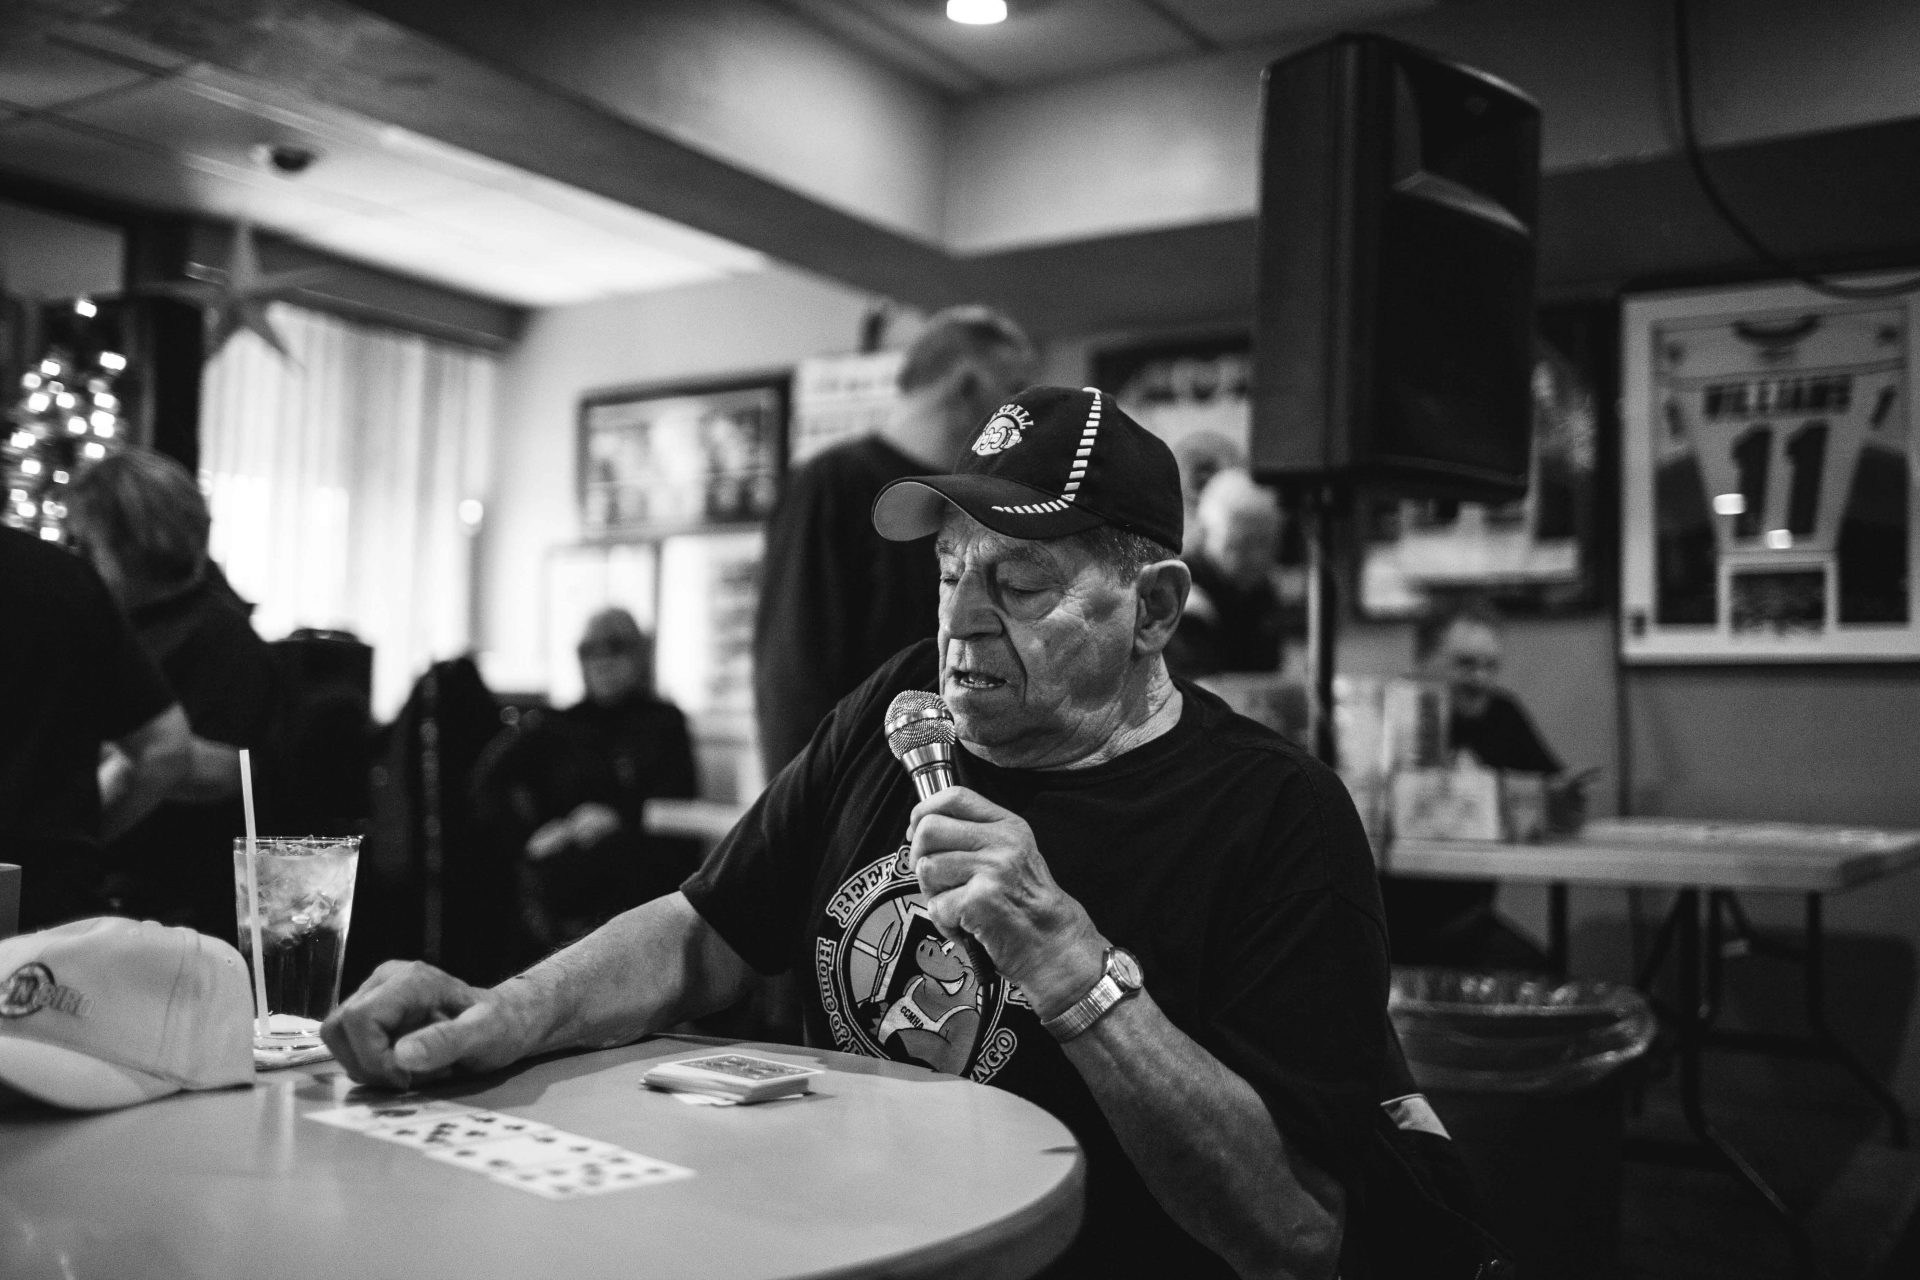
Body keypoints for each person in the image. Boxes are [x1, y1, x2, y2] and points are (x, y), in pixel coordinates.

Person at [325, 386, 1390, 1279]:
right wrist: (504, 1006)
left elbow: (1297, 1230)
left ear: (1153, 610)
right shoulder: (893, 705)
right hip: (823, 1242)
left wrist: (1076, 971)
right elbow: (706, 927)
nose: (962, 619)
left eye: (1019, 583)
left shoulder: (1276, 815)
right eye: (949, 571)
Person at [752, 305, 1035, 778]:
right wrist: (805, 821)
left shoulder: (974, 505)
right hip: (858, 795)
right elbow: (793, 673)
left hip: (949, 785)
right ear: (966, 386)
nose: (1019, 417)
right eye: (1011, 393)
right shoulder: (833, 484)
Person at [65, 448, 284, 938]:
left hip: (173, 915)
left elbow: (222, 771)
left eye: (85, 545)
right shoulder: (130, 626)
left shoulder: (221, 640)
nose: (76, 559)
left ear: (133, 542)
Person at [475, 608, 700, 958]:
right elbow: (489, 780)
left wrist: (622, 817)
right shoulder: (559, 724)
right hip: (562, 874)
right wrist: (530, 834)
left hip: (640, 872)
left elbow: (678, 805)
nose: (602, 661)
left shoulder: (664, 723)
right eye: (589, 651)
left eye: (615, 648)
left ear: (638, 655)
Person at [0, 524, 191, 930]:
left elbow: (185, 755)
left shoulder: (214, 635)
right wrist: (75, 838)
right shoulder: (62, 576)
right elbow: (167, 747)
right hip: (51, 903)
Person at [1380, 599, 1585, 970]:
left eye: (1491, 666)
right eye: (1465, 664)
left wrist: (1562, 799)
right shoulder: (1383, 716)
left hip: (1465, 922)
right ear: (1422, 662)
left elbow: (1553, 790)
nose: (1481, 680)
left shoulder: (1502, 714)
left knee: (1548, 984)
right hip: (1382, 927)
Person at [1165, 468, 1303, 679]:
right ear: (1205, 535)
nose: (1257, 557)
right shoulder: (1182, 592)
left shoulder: (1260, 592)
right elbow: (1199, 693)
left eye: (1265, 542)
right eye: (1243, 543)